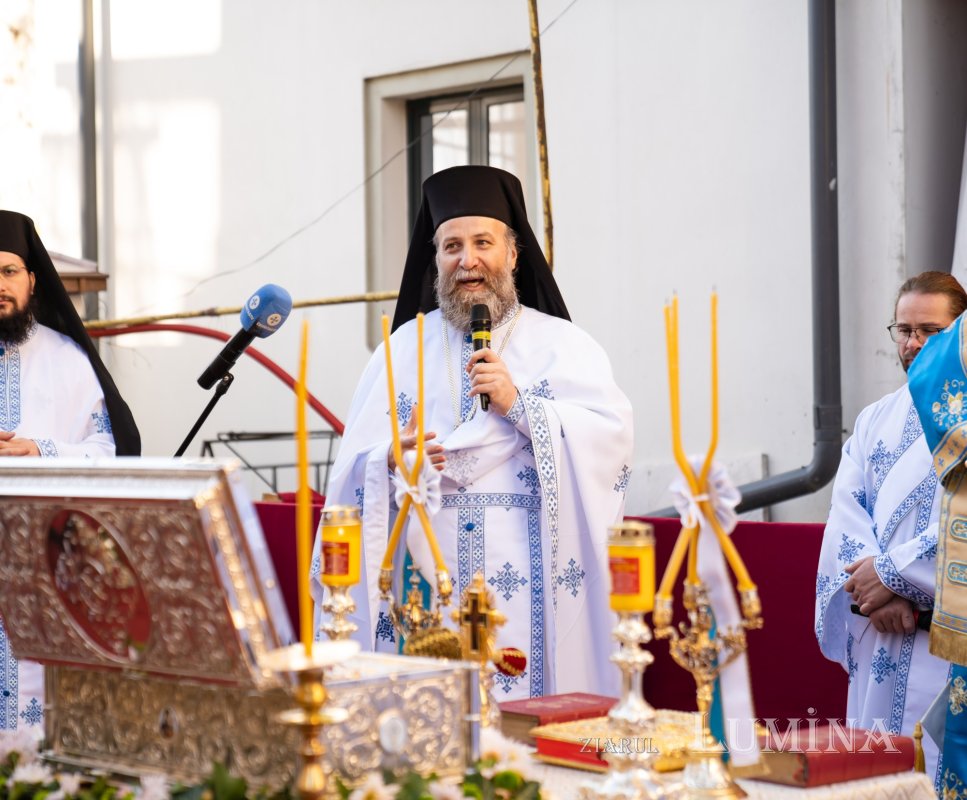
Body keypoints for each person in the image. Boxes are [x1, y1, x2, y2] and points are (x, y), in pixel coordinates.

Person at [312, 165, 633, 699]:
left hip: (529, 585)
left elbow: (611, 444)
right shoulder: (399, 352)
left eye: (483, 242)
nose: (468, 260)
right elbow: (350, 473)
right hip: (423, 583)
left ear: (512, 253)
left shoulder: (565, 346)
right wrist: (389, 460)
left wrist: (522, 407)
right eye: (452, 246)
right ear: (435, 260)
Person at [815, 271, 966, 783]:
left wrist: (894, 574)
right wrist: (877, 588)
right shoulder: (874, 419)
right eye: (902, 329)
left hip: (945, 642)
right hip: (882, 632)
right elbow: (845, 514)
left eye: (930, 330)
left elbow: (961, 521)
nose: (913, 342)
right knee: (874, 778)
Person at [0, 209, 141, 730]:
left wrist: (42, 450)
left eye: (9, 271)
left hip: (46, 572)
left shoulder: (69, 361)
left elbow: (113, 450)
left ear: (32, 280)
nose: (0, 285)